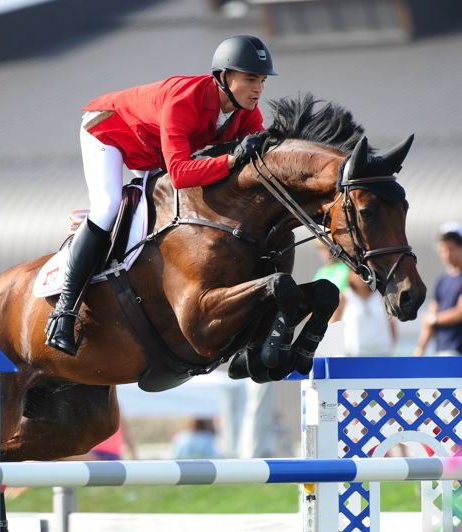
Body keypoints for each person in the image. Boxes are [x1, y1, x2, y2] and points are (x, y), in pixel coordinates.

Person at [46, 35, 278, 356]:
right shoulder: (184, 100)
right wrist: (230, 160)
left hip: (152, 150)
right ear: (224, 78)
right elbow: (182, 174)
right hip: (108, 130)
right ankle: (64, 309)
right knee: (108, 205)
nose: (258, 89)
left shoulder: (246, 113)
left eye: (262, 81)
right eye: (250, 79)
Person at [415, 222, 462, 356]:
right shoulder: (442, 281)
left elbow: (460, 312)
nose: (446, 254)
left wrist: (434, 319)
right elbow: (430, 318)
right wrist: (420, 349)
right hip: (442, 350)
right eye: (442, 250)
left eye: (451, 249)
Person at [333, 270, 397, 356]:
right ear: (350, 275)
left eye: (365, 273)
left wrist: (391, 344)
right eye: (357, 273)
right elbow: (333, 325)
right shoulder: (344, 297)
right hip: (351, 356)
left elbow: (391, 322)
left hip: (381, 354)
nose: (361, 277)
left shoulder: (381, 296)